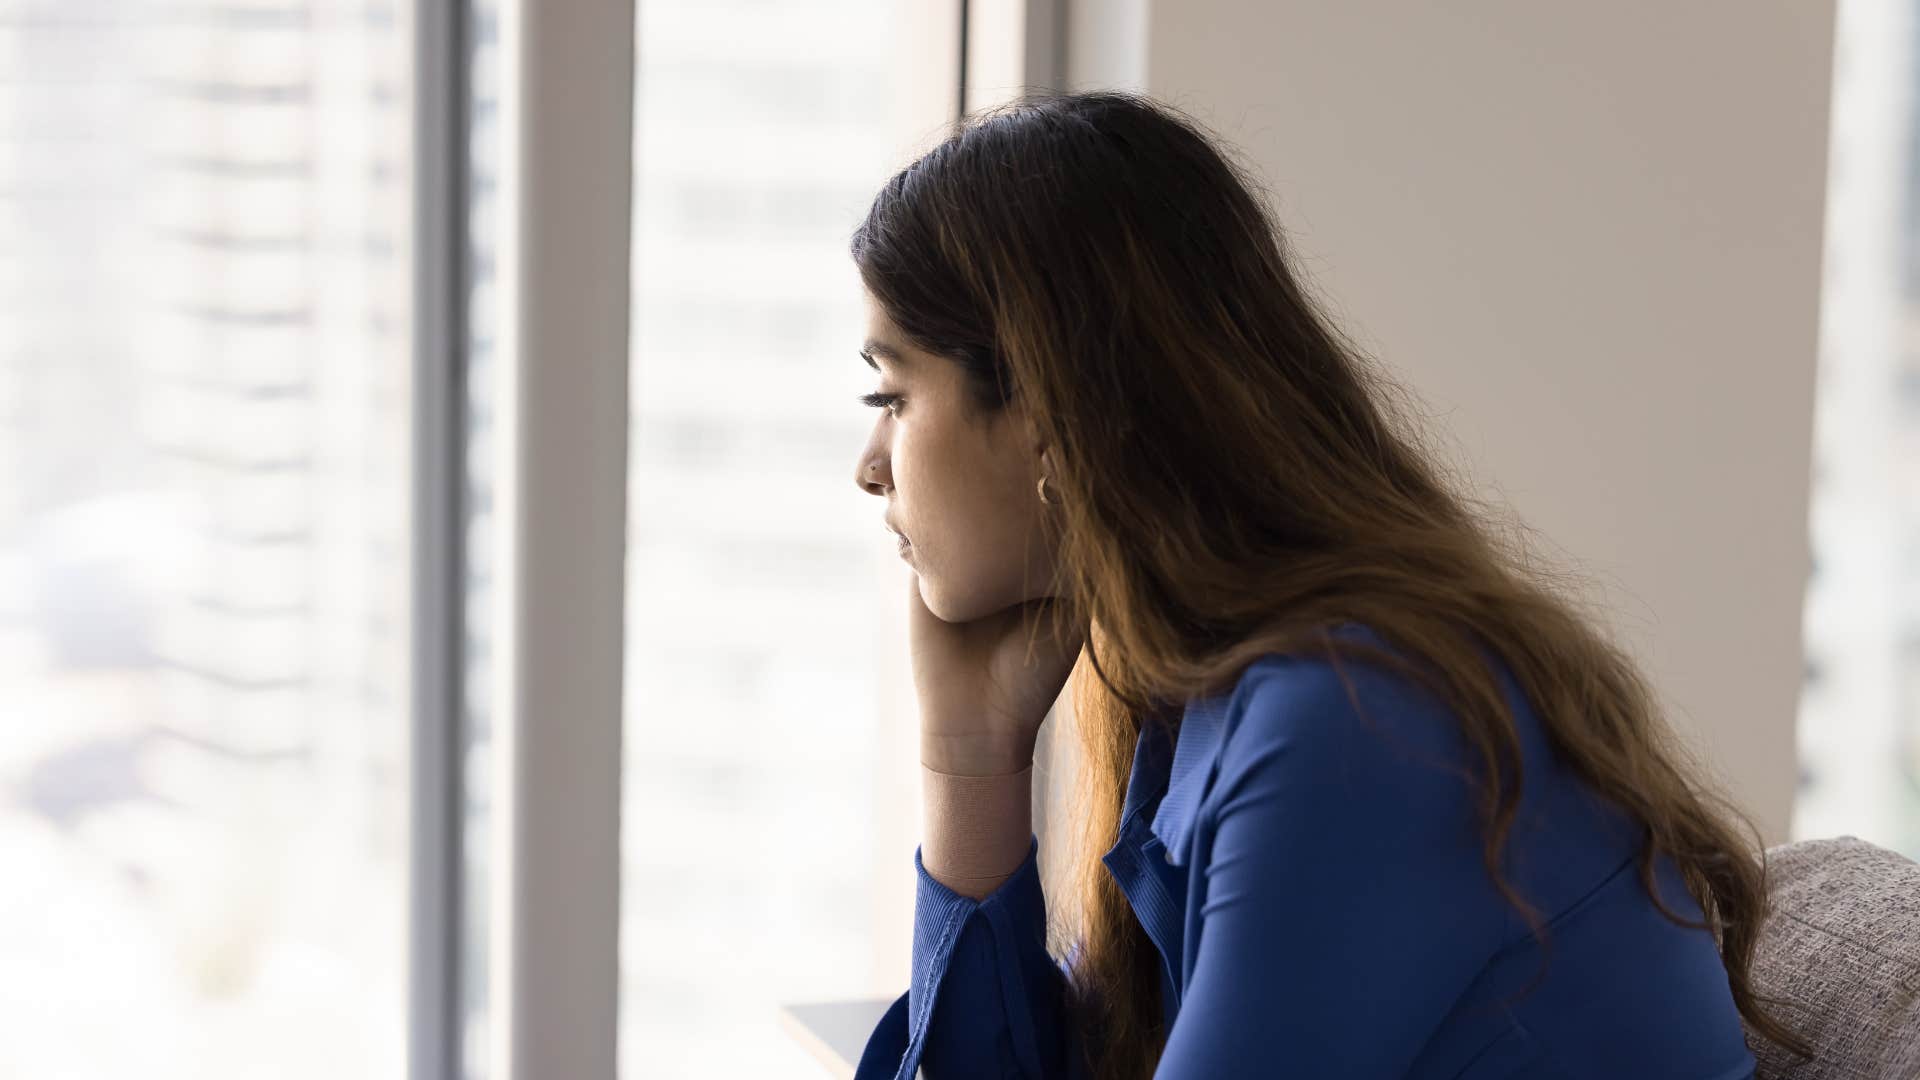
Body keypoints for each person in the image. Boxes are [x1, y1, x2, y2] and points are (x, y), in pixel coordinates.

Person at [846, 91, 1805, 1080]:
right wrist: (968, 759)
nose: (871, 464)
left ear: (1045, 405)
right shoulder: (1211, 700)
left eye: (893, 395)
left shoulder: (1356, 720)